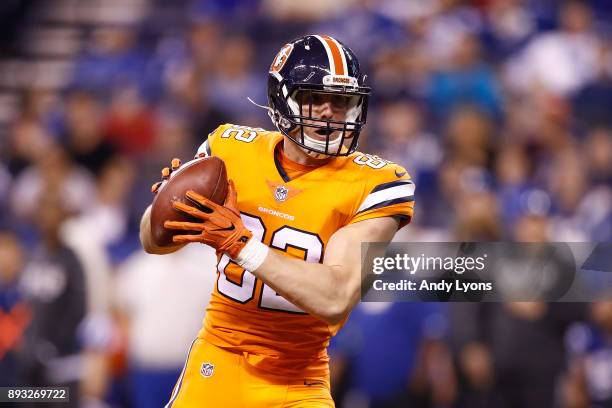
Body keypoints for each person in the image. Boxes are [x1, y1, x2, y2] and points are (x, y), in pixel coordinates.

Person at [140, 34, 415, 407]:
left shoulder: (376, 182)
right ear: (281, 98)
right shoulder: (230, 150)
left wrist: (244, 247)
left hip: (297, 379)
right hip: (219, 360)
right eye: (315, 98)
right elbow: (152, 242)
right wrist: (169, 205)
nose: (329, 112)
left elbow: (335, 297)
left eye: (340, 101)